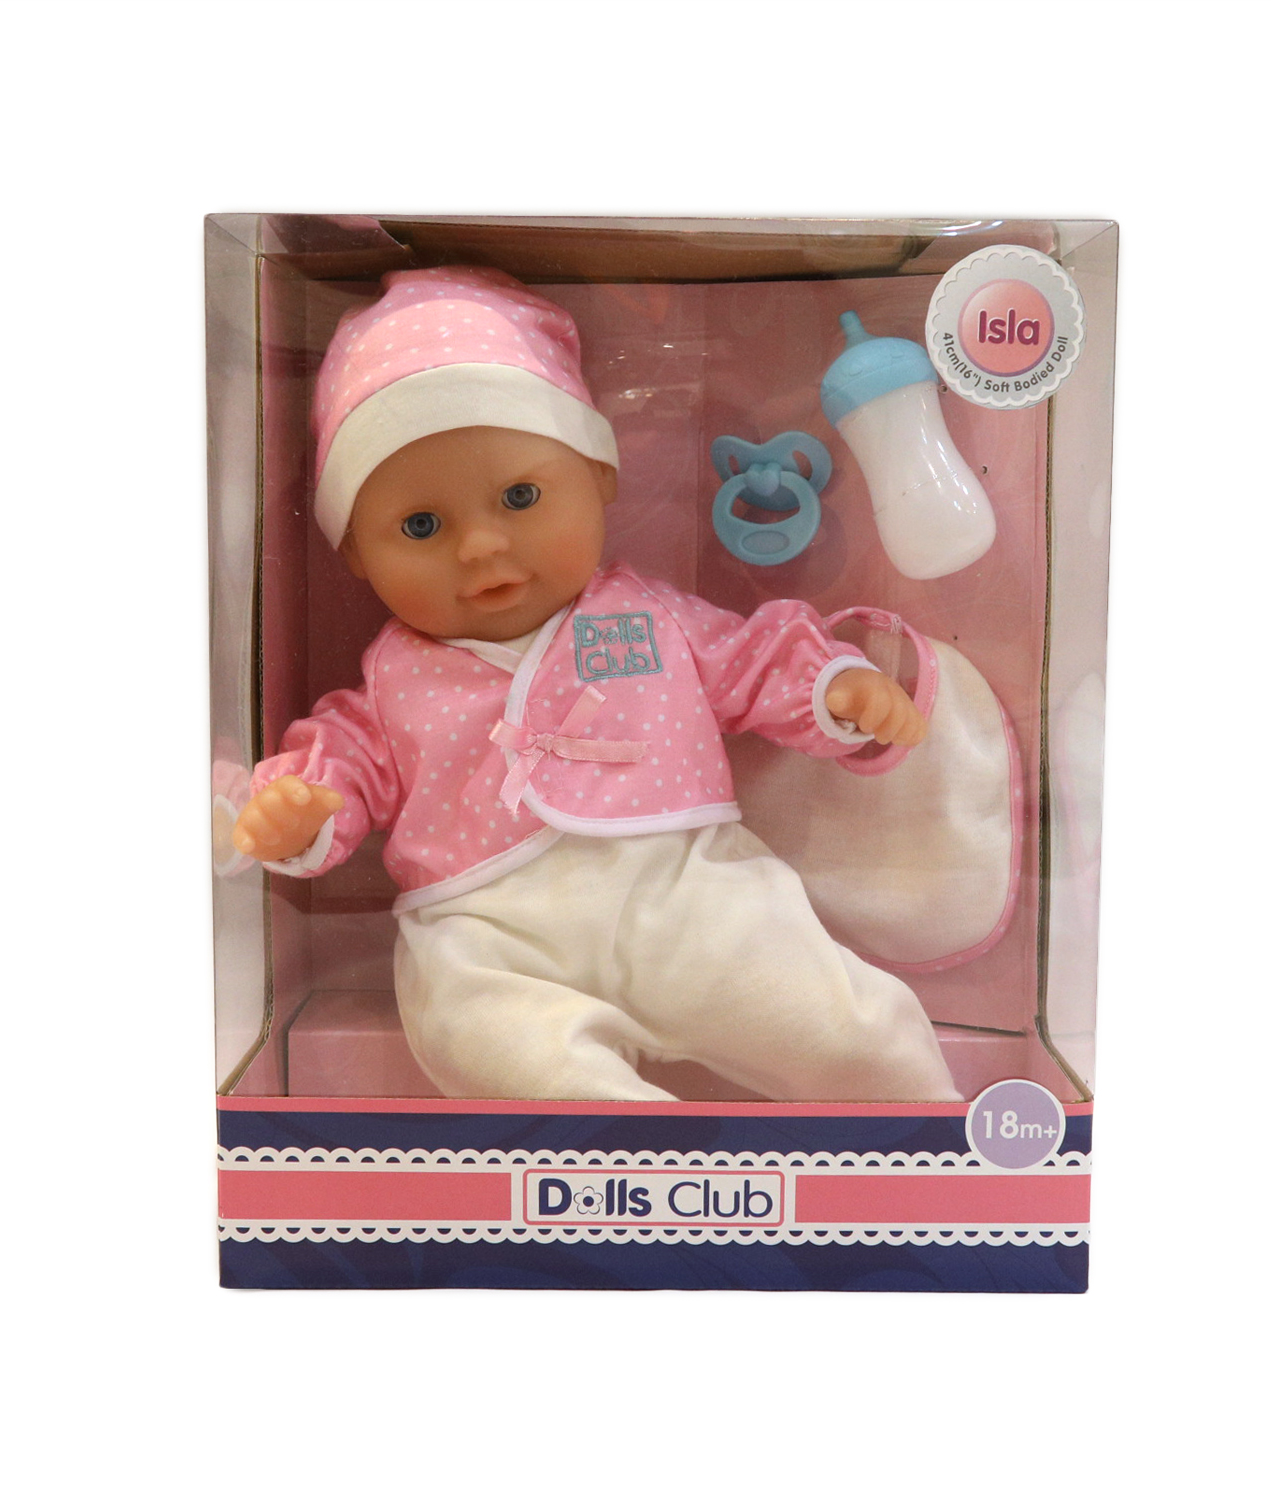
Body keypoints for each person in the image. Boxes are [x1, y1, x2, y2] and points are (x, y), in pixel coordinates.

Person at [232, 266, 959, 1103]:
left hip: (686, 891)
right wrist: (302, 810)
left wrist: (833, 687)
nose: (479, 546)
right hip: (487, 928)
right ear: (357, 553)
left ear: (599, 477)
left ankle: (924, 1138)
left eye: (520, 496)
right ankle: (620, 1145)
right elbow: (342, 762)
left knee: (834, 1022)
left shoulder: (649, 617)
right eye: (420, 525)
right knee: (476, 1032)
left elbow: (751, 658)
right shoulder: (391, 681)